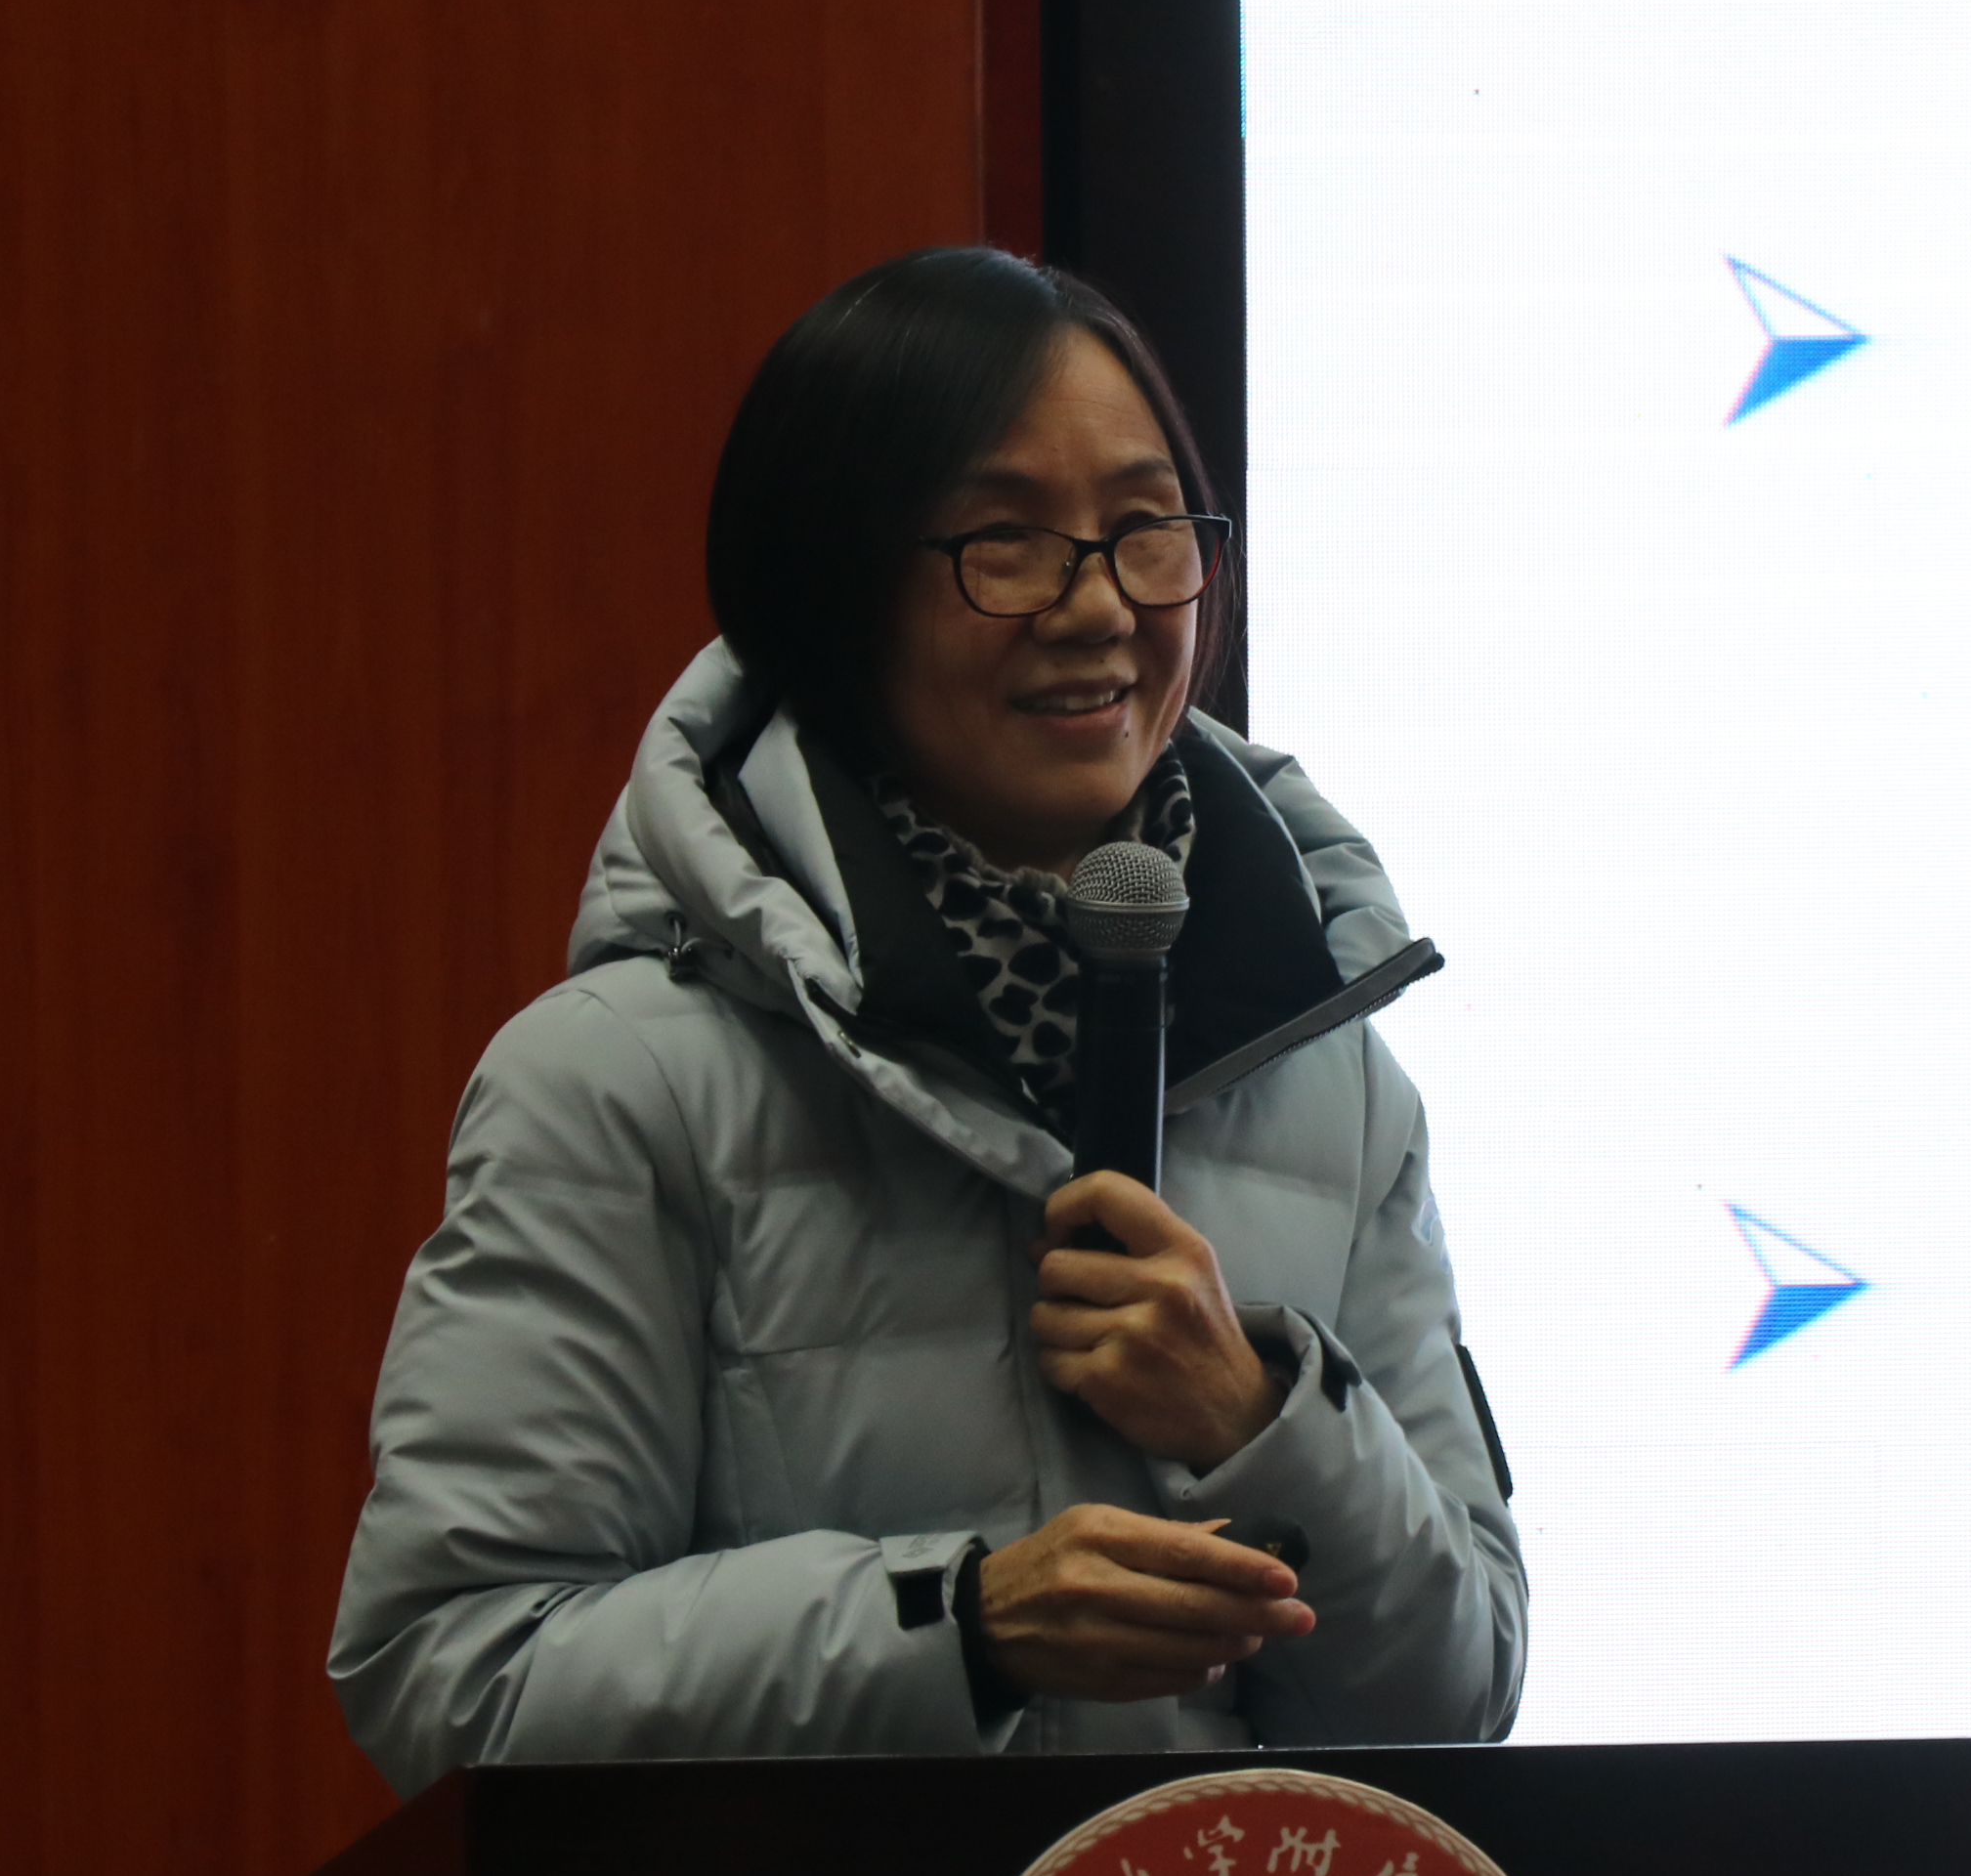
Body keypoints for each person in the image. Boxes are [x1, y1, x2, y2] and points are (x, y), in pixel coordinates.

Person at [328, 246, 1523, 1787]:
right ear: (832, 589)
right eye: (1006, 543)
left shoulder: (1336, 1083)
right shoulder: (620, 1083)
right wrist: (962, 1627)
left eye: (1147, 528)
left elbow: (1460, 1695)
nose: (1099, 606)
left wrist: (1266, 1416)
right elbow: (454, 1676)